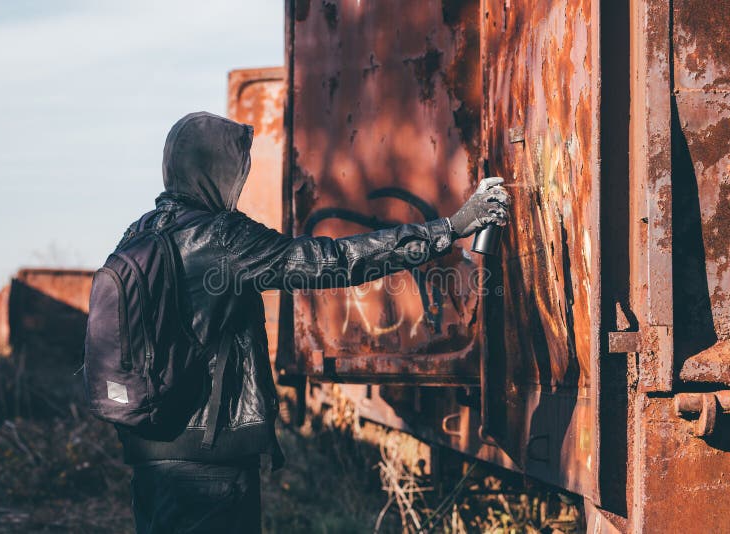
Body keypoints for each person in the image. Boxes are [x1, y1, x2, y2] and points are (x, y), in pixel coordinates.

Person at [119, 112, 510, 533]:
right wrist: (449, 229)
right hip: (210, 462)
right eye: (236, 171)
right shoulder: (222, 237)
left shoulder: (139, 233)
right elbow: (332, 261)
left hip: (149, 456)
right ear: (216, 172)